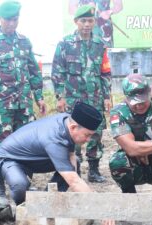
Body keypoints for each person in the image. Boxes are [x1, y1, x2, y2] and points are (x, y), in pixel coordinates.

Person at [0, 0, 46, 198]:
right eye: (8, 20)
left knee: (27, 143)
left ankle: (26, 182)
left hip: (24, 104)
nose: (12, 24)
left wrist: (39, 97)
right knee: (0, 143)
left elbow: (33, 71)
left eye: (15, 20)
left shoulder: (24, 41)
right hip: (1, 105)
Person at [0, 102, 102, 205]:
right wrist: (98, 204)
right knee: (20, 185)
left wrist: (84, 189)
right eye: (87, 135)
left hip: (33, 157)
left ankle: (48, 201)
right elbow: (73, 180)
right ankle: (24, 207)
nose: (88, 140)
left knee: (73, 164)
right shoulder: (54, 138)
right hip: (9, 158)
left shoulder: (67, 121)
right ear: (73, 128)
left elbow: (71, 155)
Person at [51, 5, 112, 183]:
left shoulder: (100, 44)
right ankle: (74, 168)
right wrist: (60, 97)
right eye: (83, 20)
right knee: (73, 132)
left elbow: (105, 72)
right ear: (76, 22)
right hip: (73, 98)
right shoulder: (65, 43)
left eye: (90, 20)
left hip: (96, 97)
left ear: (94, 22)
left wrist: (107, 97)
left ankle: (93, 170)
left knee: (96, 133)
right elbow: (57, 72)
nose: (87, 24)